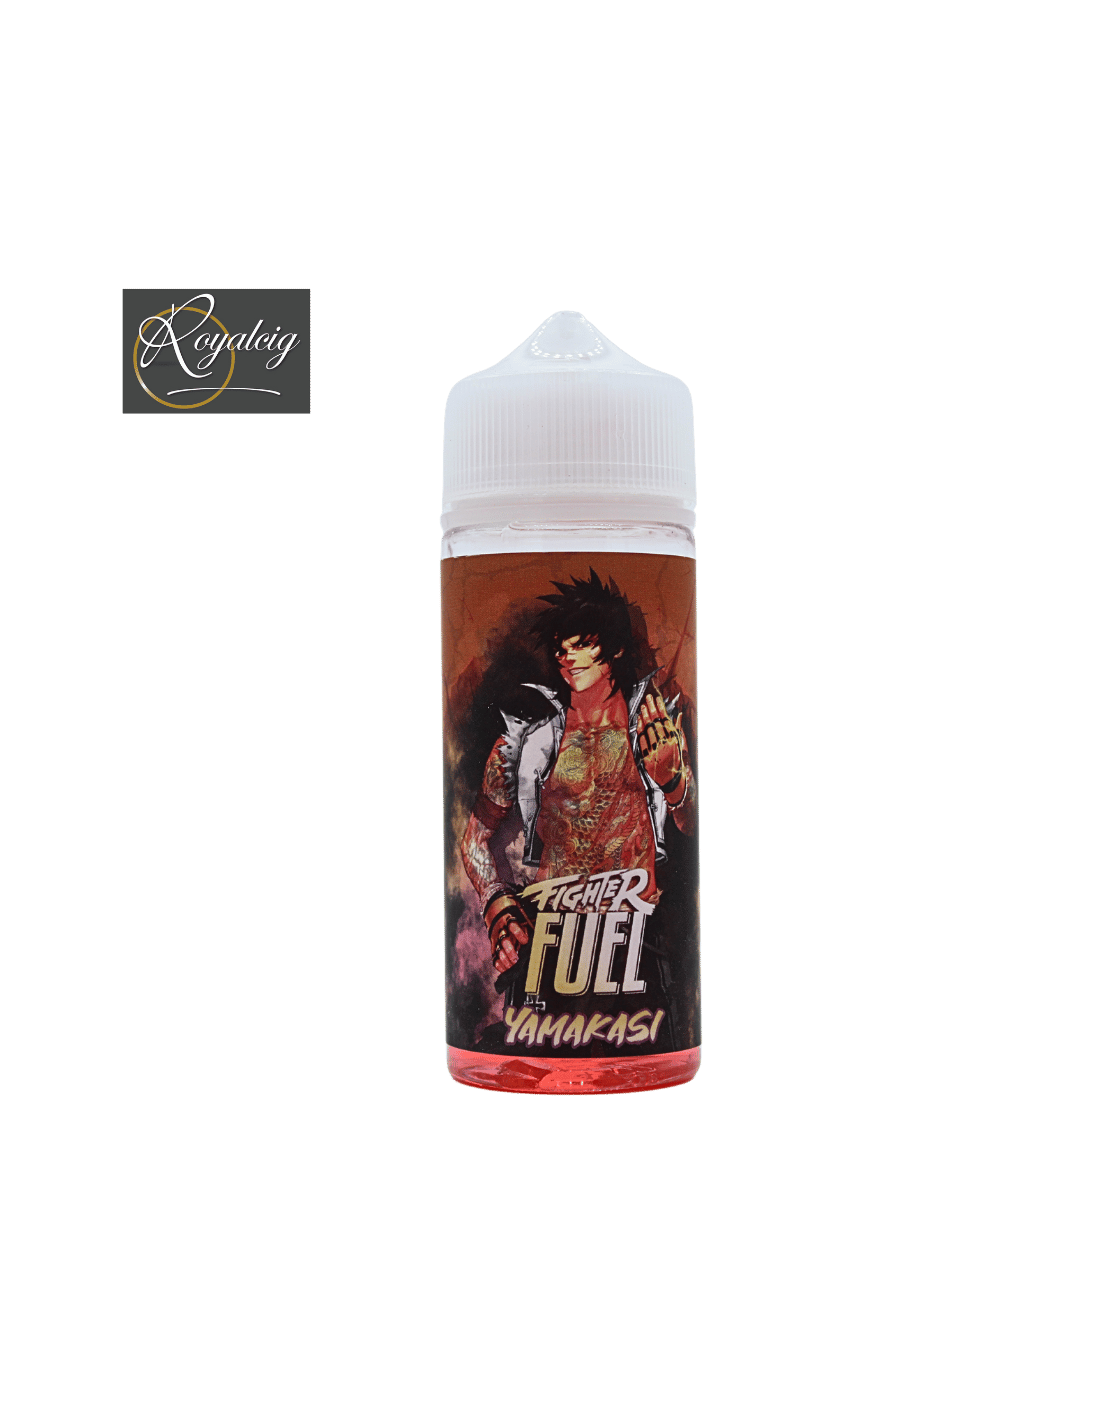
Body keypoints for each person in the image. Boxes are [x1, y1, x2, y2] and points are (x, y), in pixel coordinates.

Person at [460, 569, 696, 977]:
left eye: (583, 644)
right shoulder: (525, 743)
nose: (568, 657)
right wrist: (497, 904)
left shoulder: (658, 728)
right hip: (553, 939)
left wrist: (673, 784)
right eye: (561, 647)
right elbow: (473, 840)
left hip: (640, 938)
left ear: (616, 648)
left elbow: (692, 826)